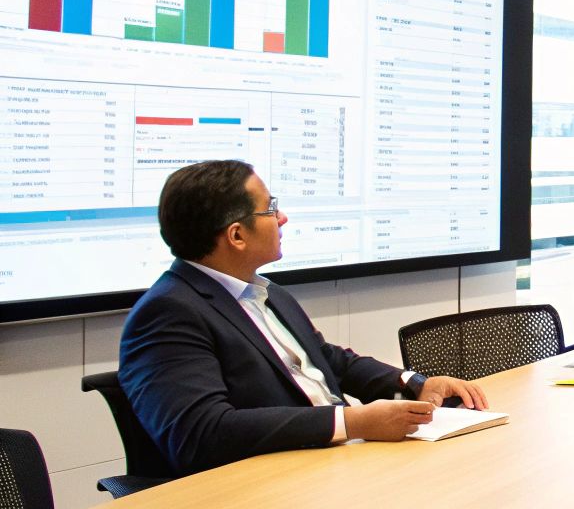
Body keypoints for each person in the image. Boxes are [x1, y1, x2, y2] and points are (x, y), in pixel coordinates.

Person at [118, 160, 487, 477]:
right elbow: (200, 434)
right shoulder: (168, 313)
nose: (282, 218)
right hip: (271, 486)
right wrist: (351, 422)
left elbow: (326, 359)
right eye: (269, 209)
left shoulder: (266, 292)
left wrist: (413, 383)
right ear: (237, 235)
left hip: (335, 463)